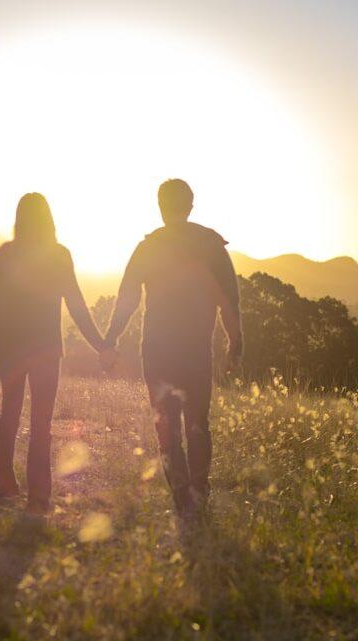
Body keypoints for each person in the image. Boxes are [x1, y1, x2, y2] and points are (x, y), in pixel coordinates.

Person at [103, 179, 242, 519]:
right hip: (196, 350)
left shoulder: (149, 248)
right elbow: (230, 302)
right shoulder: (212, 246)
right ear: (190, 206)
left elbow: (128, 298)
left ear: (160, 206)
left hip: (158, 350)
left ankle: (182, 497)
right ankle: (199, 493)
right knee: (198, 423)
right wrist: (236, 343)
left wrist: (111, 339)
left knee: (166, 426)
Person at [0, 193, 111, 515]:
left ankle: (5, 486)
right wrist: (100, 343)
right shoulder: (59, 254)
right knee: (41, 423)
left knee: (9, 416)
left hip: (13, 349)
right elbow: (77, 304)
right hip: (45, 350)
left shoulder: (7, 253)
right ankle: (39, 497)